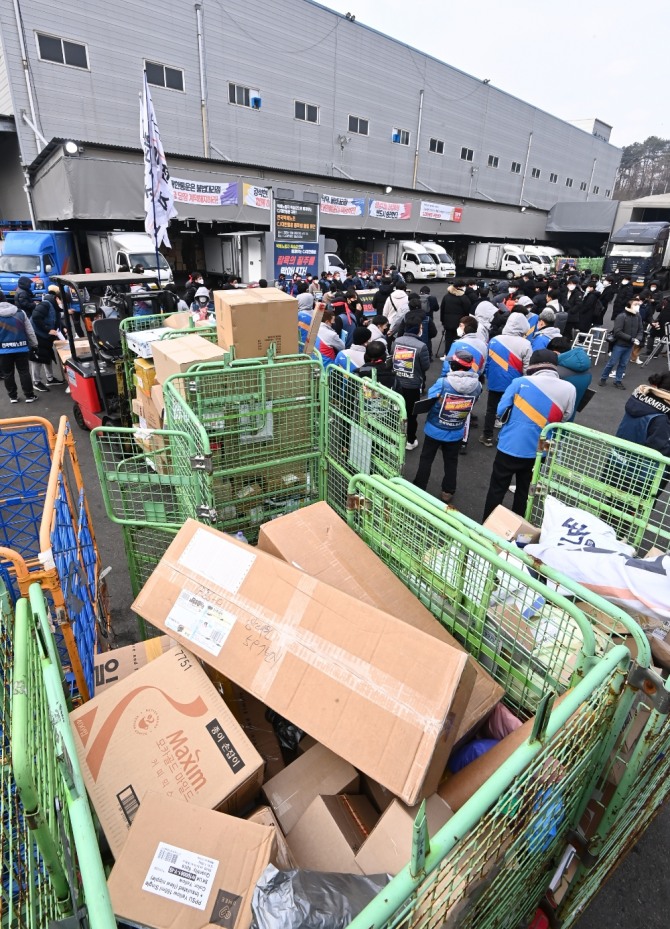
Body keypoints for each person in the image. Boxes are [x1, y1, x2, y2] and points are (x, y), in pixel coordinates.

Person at [482, 350, 576, 520]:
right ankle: (518, 531)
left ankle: (488, 525)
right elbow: (567, 416)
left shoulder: (519, 382)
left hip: (511, 444)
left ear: (533, 364)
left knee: (497, 488)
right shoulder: (569, 388)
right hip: (542, 448)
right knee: (525, 491)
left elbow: (501, 410)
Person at [412, 350, 482, 503]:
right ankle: (447, 491)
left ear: (453, 365)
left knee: (426, 459)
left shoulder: (443, 382)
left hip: (435, 428)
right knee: (451, 462)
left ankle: (418, 487)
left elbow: (430, 399)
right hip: (457, 429)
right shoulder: (478, 385)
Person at [479, 314, 532, 447]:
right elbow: (527, 368)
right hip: (515, 383)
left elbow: (486, 362)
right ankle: (504, 437)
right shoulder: (526, 344)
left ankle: (487, 436)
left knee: (491, 409)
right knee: (511, 411)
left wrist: (487, 376)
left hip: (495, 382)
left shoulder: (495, 340)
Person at [391, 310, 430, 451]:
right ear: (418, 328)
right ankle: (410, 439)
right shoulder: (421, 346)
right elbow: (425, 366)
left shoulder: (397, 341)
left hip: (397, 382)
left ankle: (396, 437)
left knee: (396, 410)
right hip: (413, 384)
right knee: (411, 414)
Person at [615, 372, 670, 458]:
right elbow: (658, 451)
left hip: (618, 456)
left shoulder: (639, 401)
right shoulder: (661, 418)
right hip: (640, 465)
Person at [599, 296, 644, 389]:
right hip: (619, 344)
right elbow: (618, 331)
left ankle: (618, 380)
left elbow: (640, 329)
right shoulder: (621, 316)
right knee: (612, 362)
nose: (637, 306)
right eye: (635, 304)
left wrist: (638, 338)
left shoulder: (638, 316)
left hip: (629, 345)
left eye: (638, 304)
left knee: (623, 364)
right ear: (629, 305)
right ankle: (603, 378)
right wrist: (632, 339)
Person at [0, 299, 38, 403]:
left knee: (8, 374)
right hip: (21, 348)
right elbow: (29, 331)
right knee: (24, 371)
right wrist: (34, 344)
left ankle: (13, 397)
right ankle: (29, 395)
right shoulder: (20, 313)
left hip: (3, 350)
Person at [548, 336, 592, 417]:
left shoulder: (556, 372)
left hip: (553, 416)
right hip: (570, 415)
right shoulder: (587, 371)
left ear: (555, 352)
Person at [30, 290, 61, 390]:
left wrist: (63, 327)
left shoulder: (55, 307)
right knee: (37, 358)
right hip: (37, 335)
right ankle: (36, 382)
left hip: (46, 336)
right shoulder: (45, 305)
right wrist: (47, 329)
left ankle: (50, 379)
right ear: (57, 298)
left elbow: (56, 320)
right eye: (62, 301)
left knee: (47, 356)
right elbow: (36, 317)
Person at [439, 280, 471, 357]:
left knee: (448, 339)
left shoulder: (446, 296)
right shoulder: (463, 298)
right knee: (458, 339)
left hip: (448, 322)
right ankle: (456, 355)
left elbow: (442, 309)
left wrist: (443, 321)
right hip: (459, 323)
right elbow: (467, 310)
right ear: (460, 287)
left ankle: (447, 354)